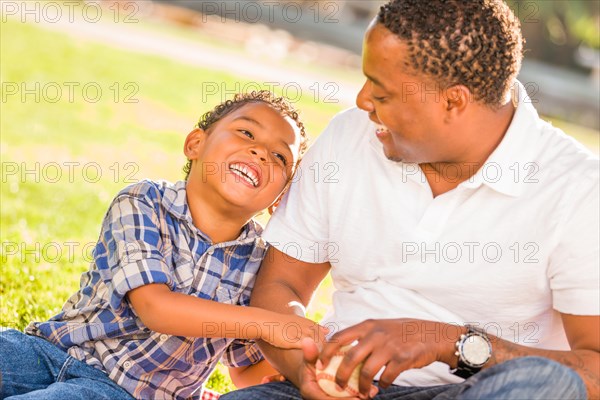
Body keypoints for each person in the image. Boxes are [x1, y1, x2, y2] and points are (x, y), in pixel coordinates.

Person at [221, 1, 599, 399]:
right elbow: (281, 286)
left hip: (476, 392)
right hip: (342, 390)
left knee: (545, 386)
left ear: (452, 101)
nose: (363, 100)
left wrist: (447, 342)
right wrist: (309, 371)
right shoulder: (350, 136)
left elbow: (592, 371)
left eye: (381, 92)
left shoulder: (577, 189)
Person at [0, 91, 329, 399]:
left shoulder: (259, 262)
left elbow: (243, 368)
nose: (260, 152)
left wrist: (296, 369)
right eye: (246, 133)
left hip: (125, 393)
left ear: (281, 198)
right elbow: (155, 307)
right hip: (48, 351)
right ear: (195, 144)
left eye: (279, 156)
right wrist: (270, 323)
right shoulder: (143, 201)